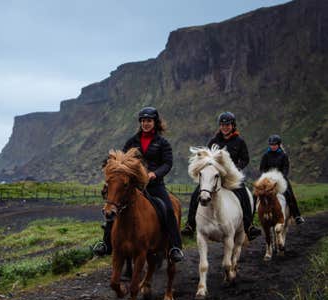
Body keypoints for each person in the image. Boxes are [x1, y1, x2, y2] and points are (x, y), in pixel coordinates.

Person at [93, 106, 184, 263]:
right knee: (113, 207)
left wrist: (155, 173)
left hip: (155, 185)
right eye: (143, 121)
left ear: (155, 122)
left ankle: (175, 247)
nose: (145, 123)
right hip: (134, 186)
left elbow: (167, 163)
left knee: (168, 210)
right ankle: (106, 244)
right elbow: (121, 162)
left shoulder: (163, 143)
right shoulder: (132, 142)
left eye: (149, 121)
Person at [181, 112, 262, 239]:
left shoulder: (239, 141)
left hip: (231, 177)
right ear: (220, 126)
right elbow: (207, 158)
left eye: (228, 125)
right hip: (214, 176)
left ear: (233, 126)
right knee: (196, 193)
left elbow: (245, 159)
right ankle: (190, 225)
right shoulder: (214, 141)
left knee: (244, 195)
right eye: (223, 125)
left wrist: (236, 169)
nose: (225, 127)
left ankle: (249, 226)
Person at [259, 134, 305, 224]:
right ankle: (252, 218)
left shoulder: (283, 155)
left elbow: (285, 169)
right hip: (268, 179)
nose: (272, 146)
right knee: (256, 194)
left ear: (279, 145)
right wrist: (266, 177)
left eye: (274, 144)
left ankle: (297, 216)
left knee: (289, 194)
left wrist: (280, 177)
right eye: (271, 144)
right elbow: (262, 168)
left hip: (281, 179)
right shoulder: (266, 155)